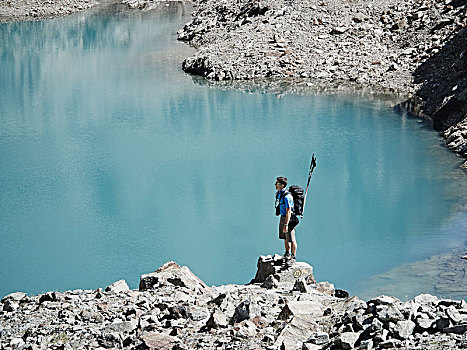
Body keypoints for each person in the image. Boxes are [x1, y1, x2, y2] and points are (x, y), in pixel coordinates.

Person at [275, 177, 297, 264]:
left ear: (282, 185)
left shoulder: (287, 196)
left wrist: (286, 224)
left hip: (289, 219)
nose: (275, 185)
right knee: (285, 237)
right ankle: (287, 254)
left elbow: (289, 211)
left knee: (291, 239)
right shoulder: (280, 193)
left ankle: (293, 256)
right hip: (283, 217)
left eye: (277, 184)